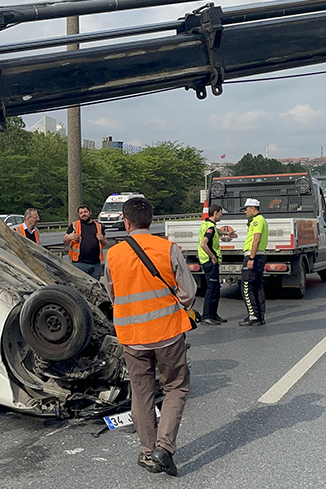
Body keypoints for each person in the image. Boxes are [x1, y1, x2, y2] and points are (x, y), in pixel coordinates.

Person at [104, 197, 196, 477]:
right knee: (175, 388)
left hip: (131, 335)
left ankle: (147, 451)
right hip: (167, 333)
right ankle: (163, 449)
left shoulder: (112, 255)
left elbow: (112, 294)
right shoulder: (167, 249)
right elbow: (189, 294)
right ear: (152, 220)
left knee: (141, 393)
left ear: (125, 221)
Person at [198, 204, 231, 325]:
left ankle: (213, 314)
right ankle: (206, 316)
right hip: (209, 261)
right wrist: (213, 256)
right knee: (211, 289)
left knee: (216, 288)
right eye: (221, 212)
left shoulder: (207, 224)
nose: (222, 215)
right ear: (216, 212)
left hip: (208, 261)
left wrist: (226, 234)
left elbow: (216, 231)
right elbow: (204, 244)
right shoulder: (210, 227)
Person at [239, 198, 268, 326]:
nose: (245, 211)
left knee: (246, 287)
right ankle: (260, 316)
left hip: (253, 256)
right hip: (259, 256)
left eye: (246, 209)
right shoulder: (260, 220)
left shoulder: (257, 221)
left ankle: (253, 316)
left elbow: (256, 240)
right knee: (258, 287)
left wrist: (251, 258)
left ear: (253, 209)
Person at [63, 205, 108, 280]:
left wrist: (102, 239)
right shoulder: (74, 225)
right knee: (80, 287)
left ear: (90, 212)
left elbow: (105, 243)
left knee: (95, 288)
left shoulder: (99, 226)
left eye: (85, 212)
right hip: (79, 263)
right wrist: (69, 237)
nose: (83, 214)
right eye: (81, 213)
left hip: (95, 263)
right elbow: (65, 241)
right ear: (79, 215)